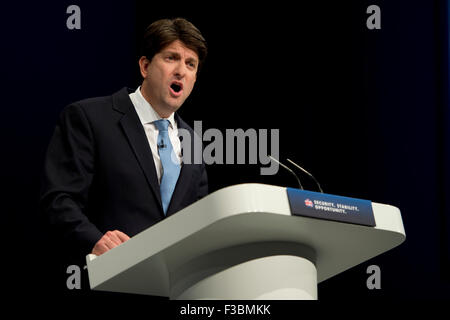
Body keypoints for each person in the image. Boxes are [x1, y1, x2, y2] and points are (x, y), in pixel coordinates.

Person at [40, 18, 208, 264]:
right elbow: (58, 199)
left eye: (190, 64)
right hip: (107, 277)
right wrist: (95, 240)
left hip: (172, 286)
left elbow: (199, 220)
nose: (181, 70)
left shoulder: (194, 142)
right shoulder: (89, 118)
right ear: (145, 67)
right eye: (171, 58)